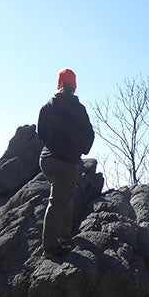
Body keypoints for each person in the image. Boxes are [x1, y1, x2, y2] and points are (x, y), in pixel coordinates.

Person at [37, 68, 94, 257]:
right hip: (67, 162)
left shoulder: (47, 106)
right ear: (74, 87)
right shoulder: (78, 108)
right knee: (58, 201)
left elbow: (41, 134)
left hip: (46, 160)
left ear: (59, 85)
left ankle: (64, 236)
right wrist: (81, 150)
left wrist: (52, 145)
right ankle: (50, 247)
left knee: (64, 196)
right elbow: (89, 134)